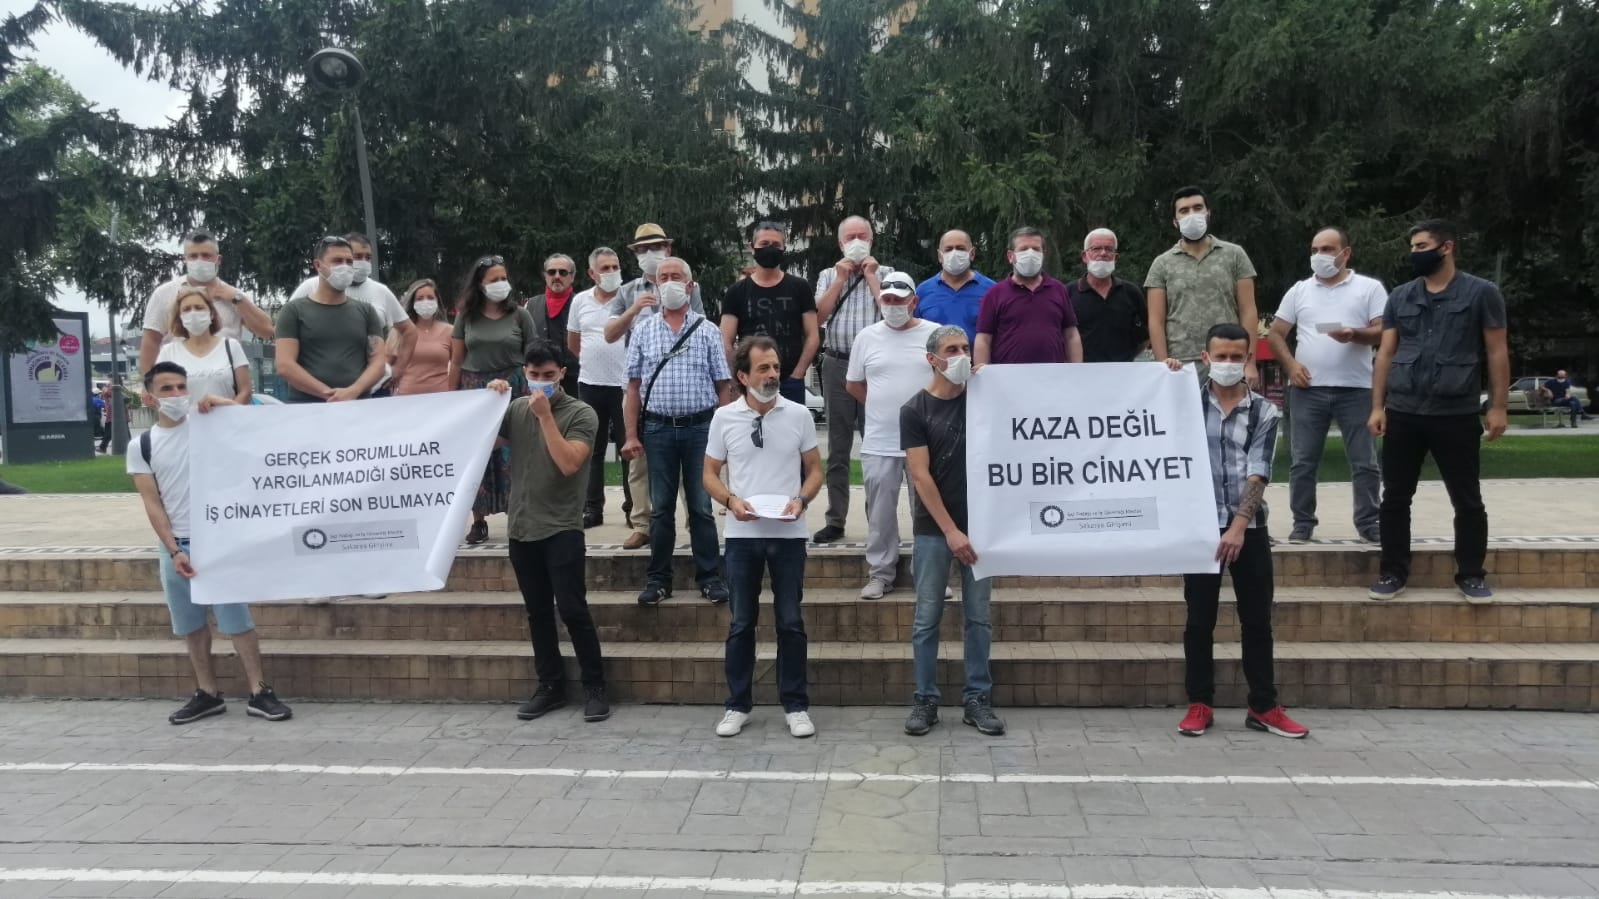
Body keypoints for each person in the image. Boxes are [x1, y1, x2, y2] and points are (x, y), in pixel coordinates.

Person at [127, 361, 291, 725]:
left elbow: (259, 427)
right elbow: (152, 503)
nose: (176, 395)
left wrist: (225, 404)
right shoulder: (143, 445)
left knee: (237, 619)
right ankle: (207, 692)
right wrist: (173, 549)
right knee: (191, 623)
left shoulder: (207, 426)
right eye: (166, 389)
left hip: (216, 540)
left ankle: (260, 690)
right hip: (177, 543)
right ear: (149, 397)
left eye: (181, 387)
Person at [1168, 324, 1308, 740]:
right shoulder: (1186, 404)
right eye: (1220, 356)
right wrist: (1164, 375)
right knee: (1199, 620)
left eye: (1236, 356)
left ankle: (1264, 705)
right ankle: (1199, 703)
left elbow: (1258, 471)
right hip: (1200, 527)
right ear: (1205, 358)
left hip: (1249, 529)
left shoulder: (1264, 411)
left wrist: (1238, 526)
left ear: (1247, 358)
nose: (1228, 363)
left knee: (1257, 620)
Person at [1368, 220, 1510, 602]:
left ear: (1446, 247)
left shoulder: (1482, 292)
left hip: (1456, 412)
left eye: (1421, 246)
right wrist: (1378, 405)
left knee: (1467, 499)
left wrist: (1498, 407)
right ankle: (1393, 572)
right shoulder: (1400, 296)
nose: (1414, 253)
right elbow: (1386, 353)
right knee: (1395, 497)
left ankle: (1471, 574)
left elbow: (1496, 350)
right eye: (1413, 246)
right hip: (1404, 410)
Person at [703, 336, 822, 739]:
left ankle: (796, 705)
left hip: (788, 533)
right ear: (742, 376)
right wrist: (730, 500)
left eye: (775, 367)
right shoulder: (724, 418)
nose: (772, 374)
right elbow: (709, 473)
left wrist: (801, 500)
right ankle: (737, 704)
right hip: (742, 534)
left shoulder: (799, 414)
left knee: (790, 621)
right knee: (741, 622)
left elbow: (815, 469)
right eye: (763, 368)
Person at [485, 342, 609, 724]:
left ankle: (595, 686)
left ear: (563, 374)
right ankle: (550, 685)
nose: (540, 382)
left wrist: (545, 418)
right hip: (522, 527)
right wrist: (489, 402)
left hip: (561, 527)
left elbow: (569, 463)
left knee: (572, 609)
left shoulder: (581, 413)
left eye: (549, 375)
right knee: (537, 613)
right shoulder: (517, 409)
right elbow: (483, 441)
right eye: (534, 375)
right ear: (524, 373)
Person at [901, 325, 1003, 737]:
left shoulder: (983, 399)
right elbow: (920, 476)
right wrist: (951, 531)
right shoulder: (915, 410)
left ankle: (977, 698)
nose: (962, 355)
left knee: (979, 617)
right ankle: (925, 699)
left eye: (965, 348)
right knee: (927, 617)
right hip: (935, 530)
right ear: (933, 359)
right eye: (952, 349)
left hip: (984, 526)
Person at [621, 257, 733, 606]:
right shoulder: (643, 330)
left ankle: (710, 578)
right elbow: (633, 387)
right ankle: (658, 579)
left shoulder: (708, 330)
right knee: (661, 508)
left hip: (700, 430)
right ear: (655, 285)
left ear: (689, 285)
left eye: (676, 276)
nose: (669, 282)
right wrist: (631, 435)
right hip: (658, 430)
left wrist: (725, 433)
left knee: (701, 506)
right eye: (663, 277)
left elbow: (723, 386)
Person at [1266, 228, 1387, 545]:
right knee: (1303, 462)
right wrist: (1291, 366)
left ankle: (1369, 522)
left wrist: (1355, 334)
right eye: (1315, 249)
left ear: (1345, 253)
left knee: (1365, 462)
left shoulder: (1369, 288)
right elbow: (1275, 334)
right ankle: (1302, 523)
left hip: (1357, 389)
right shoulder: (1299, 291)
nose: (1320, 255)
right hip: (1308, 389)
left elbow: (1384, 331)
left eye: (1328, 249)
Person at [604, 224, 709, 551]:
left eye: (656, 247)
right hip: (640, 387)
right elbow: (609, 333)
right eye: (643, 249)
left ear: (668, 248)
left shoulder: (688, 285)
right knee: (639, 463)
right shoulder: (627, 291)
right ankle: (642, 524)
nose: (650, 254)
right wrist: (635, 310)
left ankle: (695, 523)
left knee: (688, 465)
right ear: (635, 254)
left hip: (683, 385)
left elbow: (702, 327)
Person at [846, 272, 941, 600]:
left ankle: (930, 576)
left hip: (926, 442)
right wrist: (882, 406)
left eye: (899, 300)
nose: (893, 305)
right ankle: (880, 573)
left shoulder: (934, 334)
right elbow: (854, 384)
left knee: (927, 511)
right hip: (880, 440)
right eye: (887, 299)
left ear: (914, 302)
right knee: (880, 512)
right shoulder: (866, 337)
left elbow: (946, 379)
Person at [452, 255, 540, 545]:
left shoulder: (520, 315)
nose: (501, 284)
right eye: (494, 280)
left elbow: (533, 356)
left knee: (517, 452)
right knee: (478, 455)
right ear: (480, 284)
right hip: (476, 390)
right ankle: (478, 520)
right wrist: (452, 400)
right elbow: (457, 360)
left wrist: (536, 390)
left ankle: (520, 515)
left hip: (513, 388)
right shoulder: (466, 316)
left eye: (504, 278)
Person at [1145, 187, 1260, 383]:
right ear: (1175, 221)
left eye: (1197, 208)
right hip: (1180, 363)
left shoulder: (1235, 255)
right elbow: (1156, 320)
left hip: (1229, 358)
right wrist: (1163, 365)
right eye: (1184, 210)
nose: (1192, 214)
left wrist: (1249, 363)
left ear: (1208, 213)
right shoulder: (1162, 264)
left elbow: (1248, 310)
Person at [290, 233, 415, 398]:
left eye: (368, 257)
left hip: (373, 388)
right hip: (315, 391)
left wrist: (398, 369)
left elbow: (409, 331)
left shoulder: (380, 293)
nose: (363, 262)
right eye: (357, 257)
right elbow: (285, 335)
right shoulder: (310, 287)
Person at [568, 248, 637, 534]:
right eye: (605, 268)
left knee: (628, 449)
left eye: (615, 266)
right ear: (592, 273)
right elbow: (573, 342)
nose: (611, 272)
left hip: (625, 387)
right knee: (592, 450)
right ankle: (592, 508)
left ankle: (633, 508)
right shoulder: (580, 301)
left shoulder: (630, 298)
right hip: (590, 384)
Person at [139, 231, 275, 372]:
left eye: (206, 255)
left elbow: (267, 331)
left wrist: (237, 299)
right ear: (185, 259)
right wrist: (150, 380)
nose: (200, 261)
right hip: (178, 379)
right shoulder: (164, 294)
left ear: (218, 259)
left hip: (225, 379)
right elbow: (151, 341)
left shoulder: (234, 296)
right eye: (193, 256)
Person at [274, 236, 387, 405]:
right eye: (337, 261)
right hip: (308, 408)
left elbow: (378, 363)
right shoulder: (293, 311)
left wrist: (353, 391)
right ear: (318, 265)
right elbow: (284, 365)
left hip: (358, 406)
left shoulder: (366, 311)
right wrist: (329, 395)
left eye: (349, 262)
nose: (345, 267)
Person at [719, 221, 819, 406]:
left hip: (791, 381)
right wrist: (738, 377)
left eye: (776, 245)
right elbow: (725, 341)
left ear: (784, 248)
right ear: (752, 247)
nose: (770, 249)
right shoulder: (736, 292)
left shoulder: (800, 287)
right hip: (751, 382)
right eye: (764, 244)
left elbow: (812, 335)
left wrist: (798, 374)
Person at [973, 226, 1084, 366]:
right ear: (1010, 256)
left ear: (1043, 254)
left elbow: (1071, 335)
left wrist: (1076, 369)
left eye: (1036, 249)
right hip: (1008, 375)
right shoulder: (995, 294)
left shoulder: (1058, 289)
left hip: (1053, 374)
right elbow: (984, 338)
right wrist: (983, 373)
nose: (1030, 253)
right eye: (1023, 249)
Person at [156, 286, 252, 406]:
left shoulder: (231, 347)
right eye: (186, 309)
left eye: (199, 308)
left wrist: (228, 408)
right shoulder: (169, 352)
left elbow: (245, 392)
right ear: (180, 317)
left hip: (228, 418)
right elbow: (161, 393)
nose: (193, 313)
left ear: (211, 314)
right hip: (186, 418)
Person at [1065, 228, 1148, 363]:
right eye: (1096, 249)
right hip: (1081, 371)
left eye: (1109, 249)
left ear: (1116, 257)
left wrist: (1128, 357)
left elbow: (1146, 335)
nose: (1103, 253)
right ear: (1084, 256)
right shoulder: (1068, 293)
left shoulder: (1131, 292)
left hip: (1123, 371)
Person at [914, 229, 995, 346]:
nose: (954, 253)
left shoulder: (991, 290)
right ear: (940, 256)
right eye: (948, 249)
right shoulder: (923, 291)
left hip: (977, 358)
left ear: (972, 254)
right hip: (933, 358)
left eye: (960, 248)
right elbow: (914, 331)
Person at [528, 254, 582, 396]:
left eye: (563, 272)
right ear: (545, 276)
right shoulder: (531, 305)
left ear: (572, 277)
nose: (557, 276)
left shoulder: (583, 304)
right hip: (542, 381)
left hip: (575, 381)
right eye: (552, 272)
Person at [392, 279, 453, 396]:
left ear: (437, 301)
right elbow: (387, 362)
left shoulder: (450, 331)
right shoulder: (401, 332)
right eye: (420, 298)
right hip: (406, 397)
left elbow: (458, 365)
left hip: (442, 398)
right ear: (413, 302)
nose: (425, 302)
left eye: (430, 298)